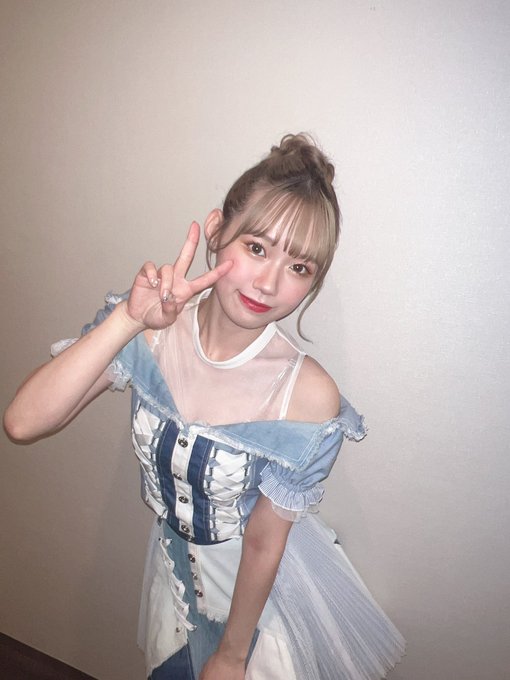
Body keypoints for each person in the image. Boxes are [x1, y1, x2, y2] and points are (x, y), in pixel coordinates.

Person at [4, 134, 405, 680]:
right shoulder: (151, 334)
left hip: (265, 604)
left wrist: (232, 657)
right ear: (216, 232)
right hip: (174, 577)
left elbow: (264, 539)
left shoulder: (307, 393)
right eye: (257, 248)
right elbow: (23, 422)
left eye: (300, 267)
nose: (269, 283)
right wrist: (128, 320)